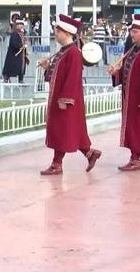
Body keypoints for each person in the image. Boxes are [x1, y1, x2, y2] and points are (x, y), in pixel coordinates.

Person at [37, 14, 102, 175]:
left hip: (67, 99)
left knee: (62, 130)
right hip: (61, 97)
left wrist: (65, 99)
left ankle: (56, 163)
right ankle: (90, 153)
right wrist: (47, 67)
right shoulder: (63, 51)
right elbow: (57, 74)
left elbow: (72, 78)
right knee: (73, 129)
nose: (55, 34)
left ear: (66, 33)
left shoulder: (73, 53)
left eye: (57, 31)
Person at [107, 14, 140, 171]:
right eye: (132, 31)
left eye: (135, 31)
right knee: (136, 128)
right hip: (130, 97)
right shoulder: (132, 51)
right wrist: (116, 72)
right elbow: (127, 71)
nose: (132, 34)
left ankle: (135, 160)